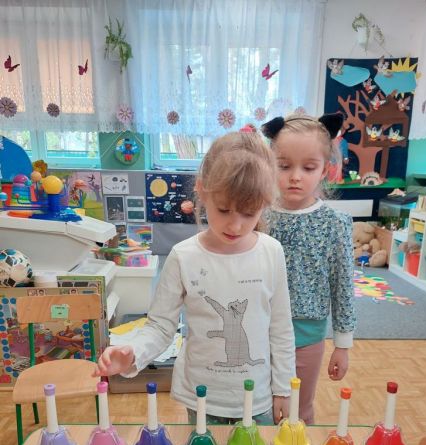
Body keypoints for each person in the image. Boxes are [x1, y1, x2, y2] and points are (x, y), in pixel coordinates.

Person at [94, 130, 295, 425]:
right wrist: (132, 352)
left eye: (249, 213)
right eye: (224, 209)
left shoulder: (271, 252)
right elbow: (160, 327)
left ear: (264, 204)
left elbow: (280, 329)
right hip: (202, 398)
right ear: (202, 190)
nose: (235, 225)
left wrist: (284, 389)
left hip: (258, 398)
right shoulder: (183, 256)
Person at [262, 113, 356, 424]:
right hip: (259, 331)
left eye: (308, 168)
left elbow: (343, 287)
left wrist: (342, 346)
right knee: (260, 409)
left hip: (307, 336)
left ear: (325, 169)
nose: (295, 177)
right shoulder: (257, 216)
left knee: (299, 412)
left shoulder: (335, 223)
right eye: (284, 166)